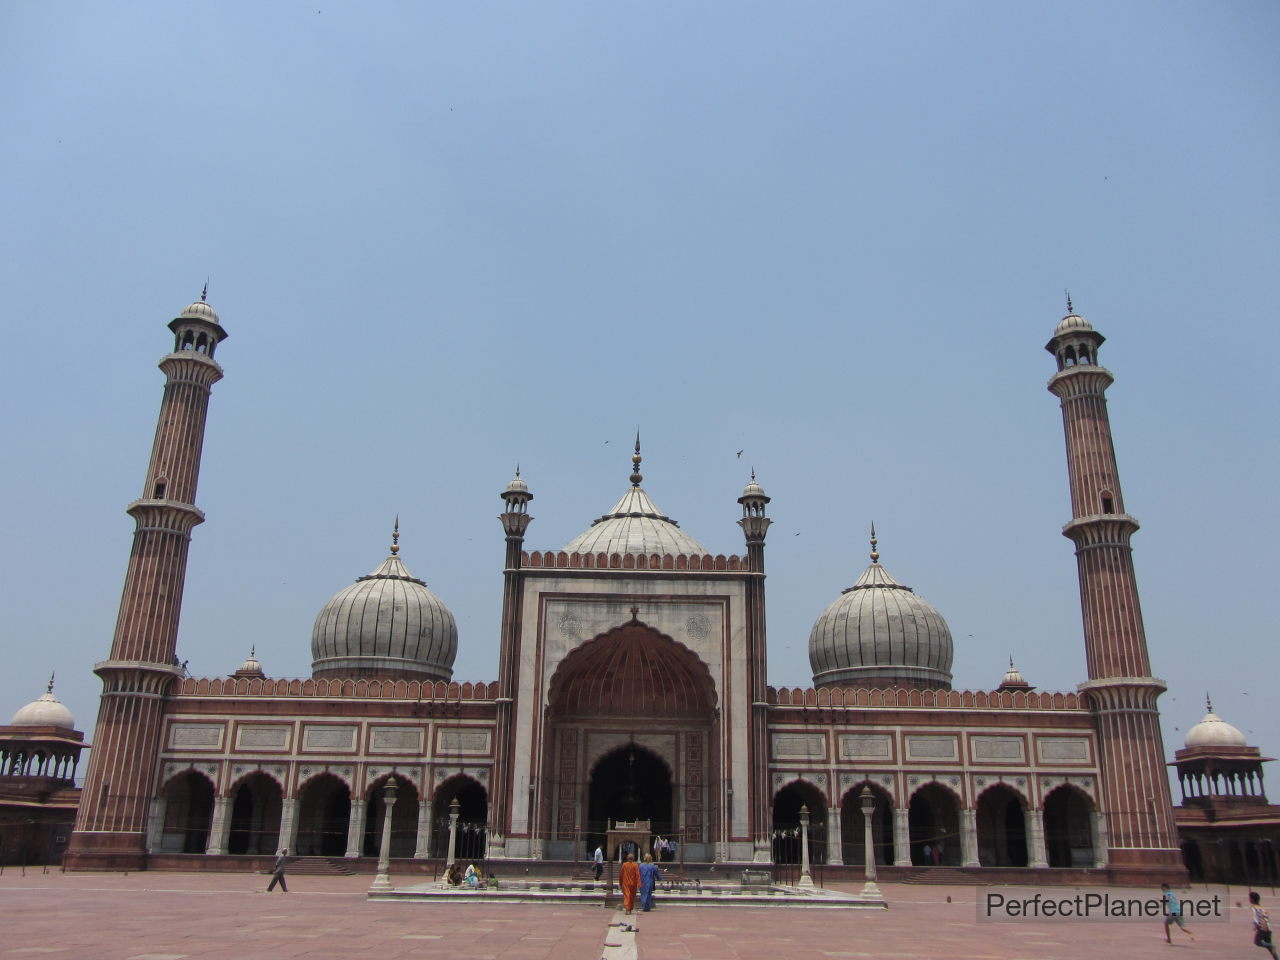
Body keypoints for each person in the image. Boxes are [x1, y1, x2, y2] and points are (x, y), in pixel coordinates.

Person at [1253, 891, 1279, 959]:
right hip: (1268, 928)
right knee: (1270, 949)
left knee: (1257, 942)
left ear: (1252, 900)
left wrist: (1257, 926)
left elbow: (1258, 918)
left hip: (1263, 928)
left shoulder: (1255, 908)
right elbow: (1265, 917)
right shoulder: (1262, 907)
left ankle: (1271, 945)